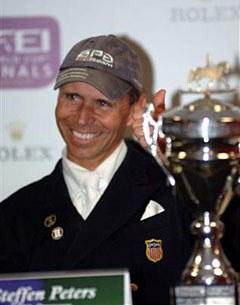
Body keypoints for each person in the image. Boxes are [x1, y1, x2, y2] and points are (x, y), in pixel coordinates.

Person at [0, 34, 191, 305]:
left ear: (134, 109)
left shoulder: (177, 189)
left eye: (103, 103)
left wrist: (181, 162)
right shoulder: (15, 215)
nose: (82, 117)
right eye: (72, 97)